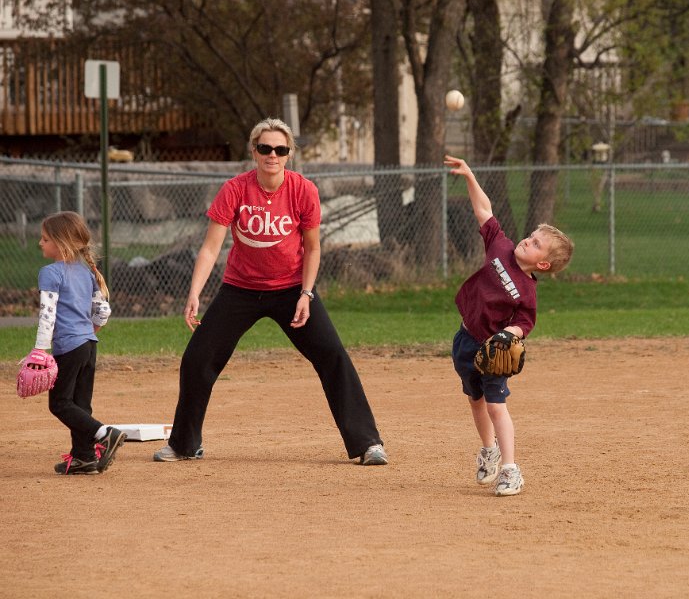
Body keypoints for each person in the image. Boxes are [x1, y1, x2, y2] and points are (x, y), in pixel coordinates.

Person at [154, 118, 387, 466]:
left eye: (280, 149)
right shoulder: (235, 189)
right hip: (240, 289)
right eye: (265, 148)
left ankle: (368, 443)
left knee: (333, 356)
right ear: (254, 151)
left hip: (291, 290)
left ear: (289, 154)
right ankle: (184, 445)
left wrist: (306, 294)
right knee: (197, 360)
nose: (272, 155)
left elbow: (313, 248)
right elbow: (209, 249)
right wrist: (194, 293)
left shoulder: (303, 190)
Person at [443, 155, 574, 496]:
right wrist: (471, 175)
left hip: (494, 350)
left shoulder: (528, 291)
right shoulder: (499, 246)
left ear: (542, 263)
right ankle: (489, 450)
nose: (527, 241)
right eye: (530, 236)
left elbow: (525, 323)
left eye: (535, 244)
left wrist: (507, 336)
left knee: (495, 405)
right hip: (466, 340)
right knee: (474, 400)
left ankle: (510, 469)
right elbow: (484, 211)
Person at [32, 211, 124, 475]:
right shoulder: (86, 272)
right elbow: (103, 311)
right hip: (88, 344)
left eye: (45, 238)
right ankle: (84, 458)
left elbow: (47, 315)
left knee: (59, 403)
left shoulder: (50, 273)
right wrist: (90, 330)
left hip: (69, 346)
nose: (41, 243)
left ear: (60, 243)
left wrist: (40, 350)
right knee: (80, 403)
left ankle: (105, 434)